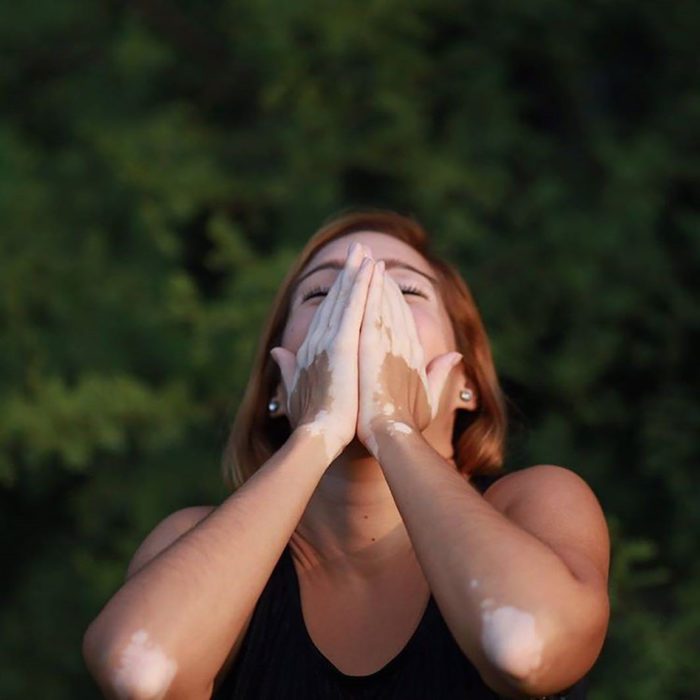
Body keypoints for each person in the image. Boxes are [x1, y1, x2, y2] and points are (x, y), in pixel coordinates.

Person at [82, 210, 610, 699]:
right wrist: (316, 430)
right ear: (277, 385)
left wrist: (391, 425)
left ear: (464, 383)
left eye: (403, 289)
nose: (362, 309)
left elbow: (523, 645)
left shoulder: (536, 505)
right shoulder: (190, 541)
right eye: (323, 295)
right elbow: (140, 671)